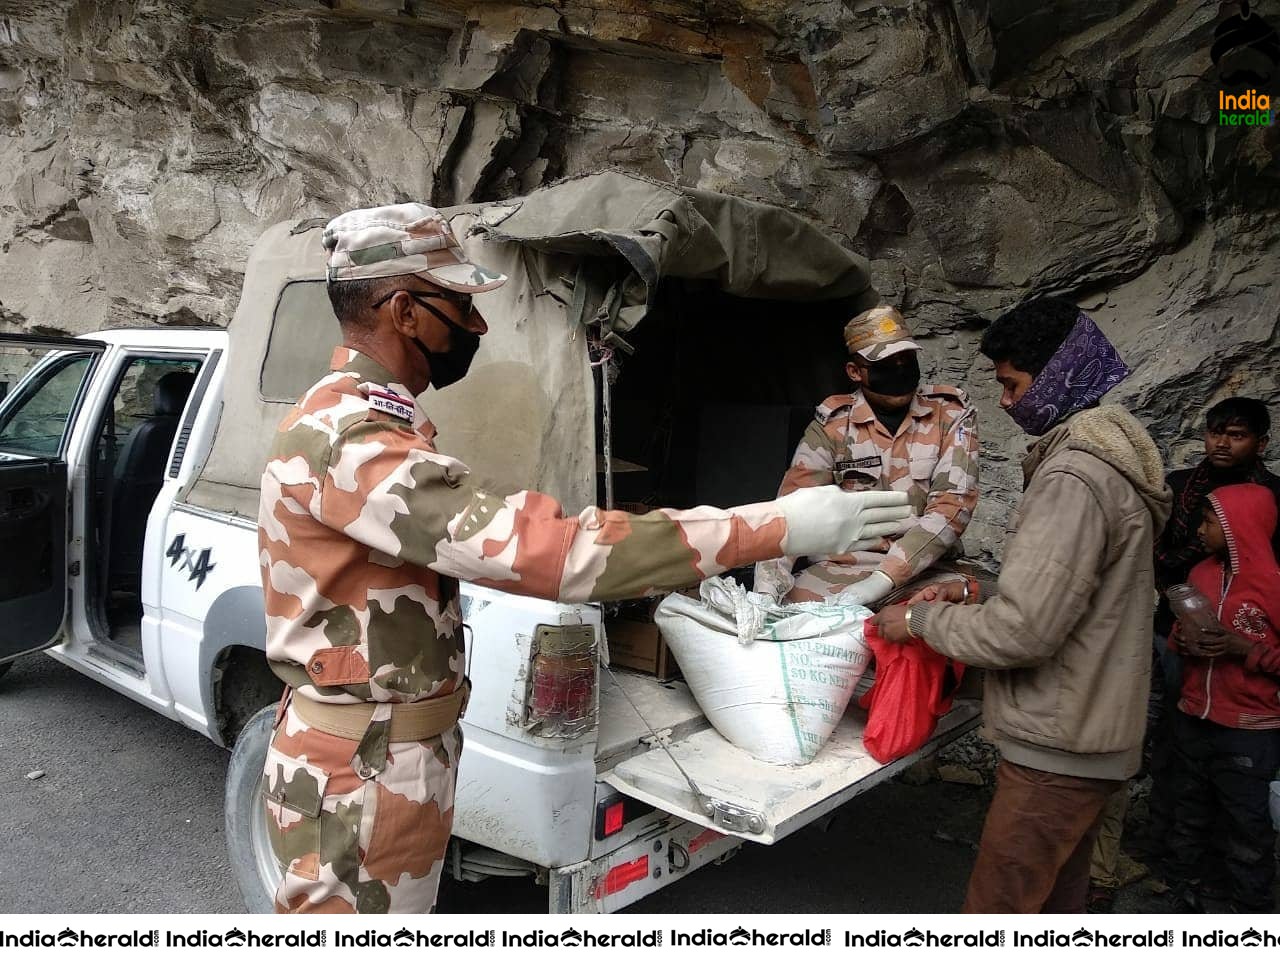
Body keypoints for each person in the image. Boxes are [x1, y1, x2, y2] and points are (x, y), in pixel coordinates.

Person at [256, 202, 914, 914]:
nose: (477, 328)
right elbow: (557, 553)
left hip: (389, 760)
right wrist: (777, 526)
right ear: (404, 311)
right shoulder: (351, 439)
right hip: (362, 775)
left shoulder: (374, 417)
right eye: (461, 307)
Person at [870, 296, 1172, 913]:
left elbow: (1025, 632)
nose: (1006, 402)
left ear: (1060, 370)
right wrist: (974, 591)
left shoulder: (1073, 478)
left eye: (1013, 384)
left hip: (1057, 746)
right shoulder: (1116, 461)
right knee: (1057, 905)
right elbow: (1077, 597)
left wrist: (920, 619)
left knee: (1000, 912)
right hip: (1092, 733)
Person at [753, 305, 979, 609]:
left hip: (925, 568)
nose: (899, 369)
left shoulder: (950, 415)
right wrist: (766, 590)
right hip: (840, 570)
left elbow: (953, 505)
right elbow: (791, 512)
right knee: (789, 621)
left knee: (947, 616)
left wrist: (881, 581)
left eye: (906, 359)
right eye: (885, 362)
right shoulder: (833, 425)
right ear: (855, 372)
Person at [1134, 397, 1279, 866]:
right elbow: (1154, 554)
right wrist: (1184, 616)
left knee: (1238, 760)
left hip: (1248, 642)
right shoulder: (1182, 488)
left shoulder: (1274, 497)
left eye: (1236, 434)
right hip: (1175, 631)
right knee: (1177, 744)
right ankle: (1170, 852)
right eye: (1215, 432)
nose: (1221, 442)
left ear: (1262, 442)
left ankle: (1227, 864)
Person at [1164, 483, 1280, 913]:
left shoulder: (1272, 585)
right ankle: (1193, 901)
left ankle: (1249, 916)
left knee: (1246, 827)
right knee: (1191, 813)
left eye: (1211, 522)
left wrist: (1245, 650)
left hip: (1249, 729)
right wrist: (1184, 639)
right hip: (1194, 715)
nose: (1200, 530)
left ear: (1239, 527)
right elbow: (1179, 638)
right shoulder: (1201, 576)